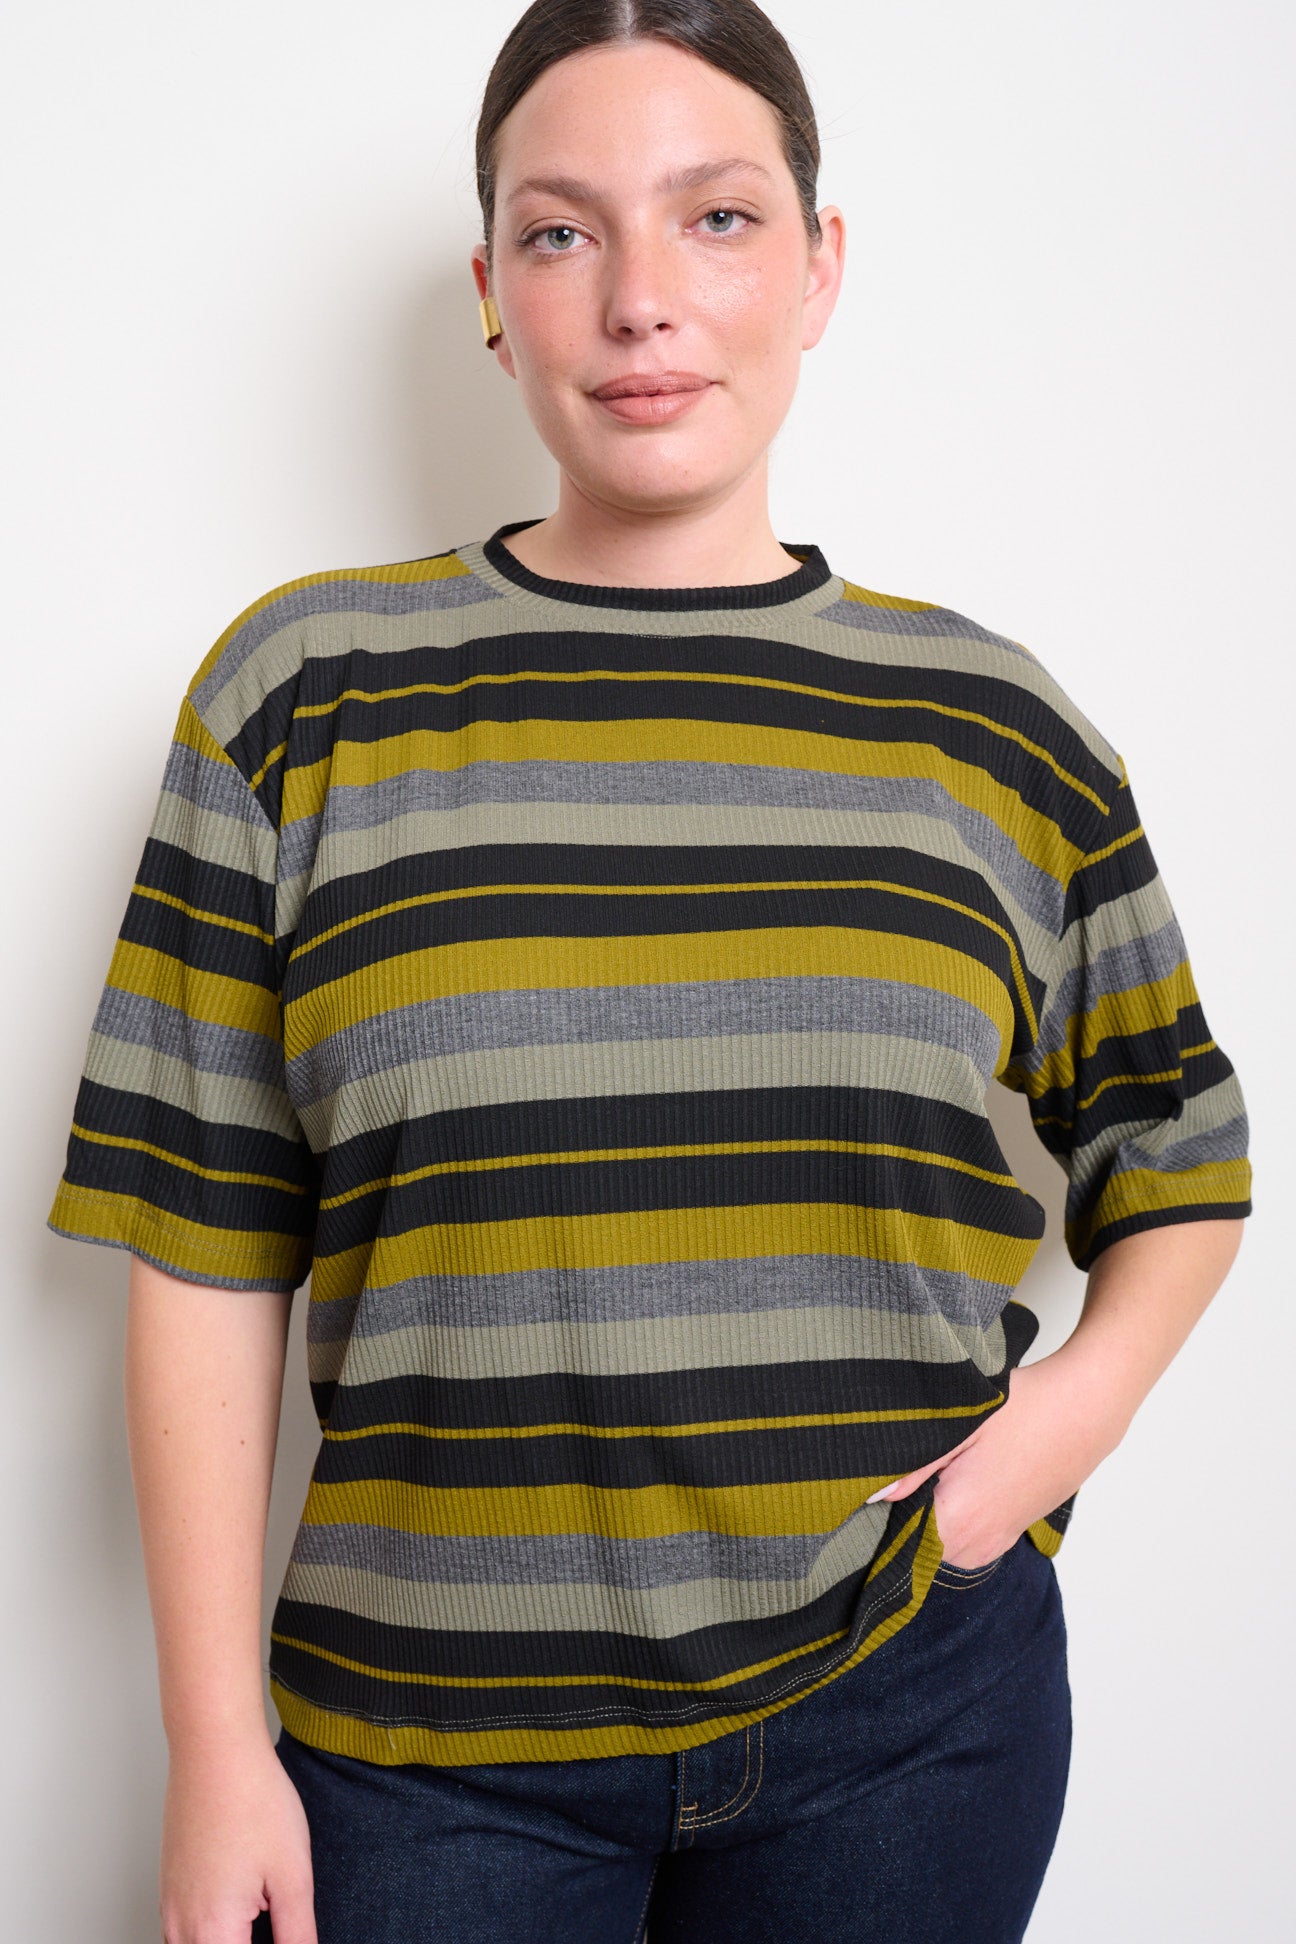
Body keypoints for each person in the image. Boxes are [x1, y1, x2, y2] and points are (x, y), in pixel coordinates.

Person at [47, 4, 1252, 1941]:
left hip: (907, 1715)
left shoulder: (991, 731)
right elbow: (200, 1236)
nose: (639, 301)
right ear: (490, 291)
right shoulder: (304, 697)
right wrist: (212, 1746)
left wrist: (1052, 1436)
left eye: (717, 217)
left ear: (819, 266)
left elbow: (1179, 1154)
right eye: (561, 231)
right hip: (424, 1755)